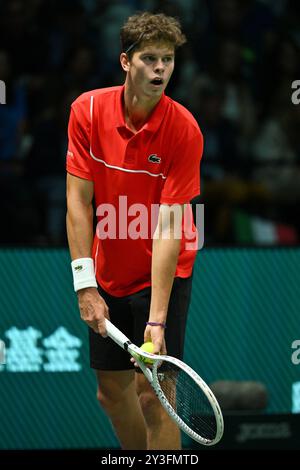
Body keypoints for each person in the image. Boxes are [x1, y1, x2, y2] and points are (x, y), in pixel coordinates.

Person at [66, 12, 203, 450]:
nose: (161, 69)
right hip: (109, 268)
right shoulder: (86, 110)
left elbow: (169, 227)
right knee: (110, 393)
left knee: (154, 393)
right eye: (150, 59)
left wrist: (156, 319)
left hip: (162, 271)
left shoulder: (184, 129)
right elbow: (77, 202)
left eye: (168, 60)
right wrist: (85, 286)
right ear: (126, 62)